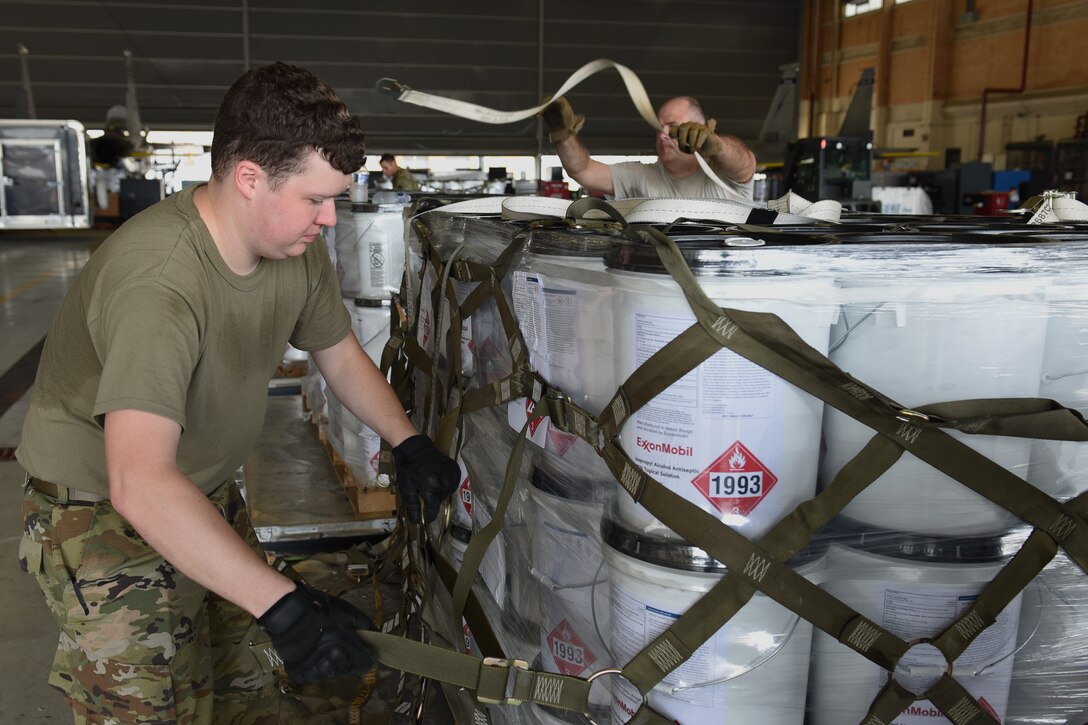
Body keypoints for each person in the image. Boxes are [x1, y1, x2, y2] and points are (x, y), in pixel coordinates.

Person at [16, 61, 459, 724]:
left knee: (247, 687)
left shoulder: (294, 247)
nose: (330, 218)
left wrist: (408, 440)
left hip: (202, 489)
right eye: (315, 199)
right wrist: (283, 605)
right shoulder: (159, 284)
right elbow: (139, 481)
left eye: (336, 198)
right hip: (102, 514)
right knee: (151, 707)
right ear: (250, 178)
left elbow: (339, 355)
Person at [541, 95, 756, 202]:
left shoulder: (723, 175)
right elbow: (583, 170)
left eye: (672, 126)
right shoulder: (641, 176)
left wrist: (715, 144)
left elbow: (744, 163)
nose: (662, 134)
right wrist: (562, 134)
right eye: (659, 127)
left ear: (700, 128)